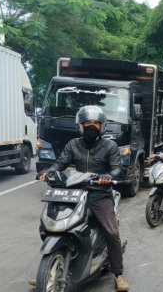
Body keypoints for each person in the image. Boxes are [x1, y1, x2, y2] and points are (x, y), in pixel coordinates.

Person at [37, 106, 129, 291]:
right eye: (88, 123)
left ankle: (118, 274)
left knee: (111, 232)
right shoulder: (73, 144)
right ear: (80, 125)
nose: (91, 126)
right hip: (74, 192)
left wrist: (109, 176)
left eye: (96, 123)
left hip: (99, 194)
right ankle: (52, 267)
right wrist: (50, 172)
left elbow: (117, 167)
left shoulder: (109, 146)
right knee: (51, 223)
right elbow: (61, 162)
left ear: (102, 126)